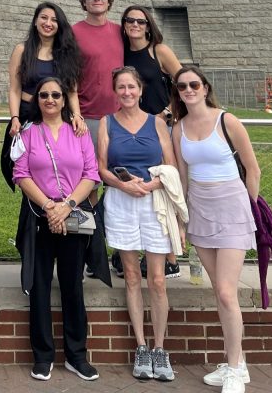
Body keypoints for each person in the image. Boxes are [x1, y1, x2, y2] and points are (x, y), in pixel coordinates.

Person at [171, 67, 260, 393]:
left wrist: (251, 206)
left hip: (232, 208)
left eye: (194, 84)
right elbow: (181, 178)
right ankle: (237, 361)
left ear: (205, 88)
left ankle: (235, 369)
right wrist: (182, 220)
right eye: (182, 86)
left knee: (226, 291)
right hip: (201, 212)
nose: (188, 90)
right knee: (219, 293)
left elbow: (252, 168)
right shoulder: (178, 129)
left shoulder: (227, 120)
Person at [12, 76, 100, 382]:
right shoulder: (28, 132)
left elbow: (91, 173)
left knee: (73, 286)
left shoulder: (79, 132)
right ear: (37, 100)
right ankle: (43, 355)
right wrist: (50, 207)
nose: (50, 100)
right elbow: (20, 174)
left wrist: (66, 206)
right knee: (39, 287)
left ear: (65, 100)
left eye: (56, 95)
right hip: (40, 216)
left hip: (72, 215)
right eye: (44, 95)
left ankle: (77, 355)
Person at [97, 67, 178, 382]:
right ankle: (141, 347)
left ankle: (160, 347)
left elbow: (170, 167)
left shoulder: (157, 123)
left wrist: (149, 186)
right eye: (121, 87)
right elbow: (102, 168)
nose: (127, 92)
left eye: (131, 86)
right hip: (121, 201)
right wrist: (123, 185)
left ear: (140, 90)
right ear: (115, 91)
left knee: (157, 279)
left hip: (153, 202)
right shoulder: (106, 123)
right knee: (131, 276)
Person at [121, 5, 183, 280]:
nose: (134, 24)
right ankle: (135, 253)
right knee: (137, 186)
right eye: (129, 20)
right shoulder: (122, 52)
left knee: (162, 186)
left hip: (160, 126)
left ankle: (170, 258)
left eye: (140, 21)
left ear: (148, 25)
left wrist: (168, 113)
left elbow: (184, 82)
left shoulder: (159, 51)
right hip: (132, 127)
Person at [8, 2, 83, 137]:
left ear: (59, 25)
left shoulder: (68, 54)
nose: (48, 23)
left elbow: (72, 91)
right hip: (26, 116)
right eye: (44, 18)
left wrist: (77, 115)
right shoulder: (21, 50)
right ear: (35, 21)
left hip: (57, 118)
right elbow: (15, 90)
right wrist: (15, 118)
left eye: (54, 20)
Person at [72, 0, 123, 146]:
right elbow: (68, 77)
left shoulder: (121, 31)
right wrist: (76, 114)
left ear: (109, 2)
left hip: (121, 115)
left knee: (118, 169)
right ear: (84, 2)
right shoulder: (73, 33)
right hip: (87, 117)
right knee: (90, 170)